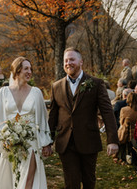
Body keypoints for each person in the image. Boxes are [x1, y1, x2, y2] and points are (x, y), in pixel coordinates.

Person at [48, 48, 119, 189]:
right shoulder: (56, 86)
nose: (68, 63)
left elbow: (107, 113)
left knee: (89, 181)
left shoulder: (96, 84)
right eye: (66, 60)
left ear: (81, 62)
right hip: (66, 142)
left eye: (72, 59)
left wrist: (112, 140)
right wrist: (48, 141)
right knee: (71, 183)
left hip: (89, 140)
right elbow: (53, 116)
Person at [0, 57, 52, 189]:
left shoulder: (36, 93)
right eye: (26, 68)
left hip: (31, 142)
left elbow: (42, 119)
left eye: (30, 69)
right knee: (11, 181)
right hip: (10, 144)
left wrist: (46, 143)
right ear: (17, 70)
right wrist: (3, 140)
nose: (29, 72)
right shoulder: (3, 93)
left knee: (27, 181)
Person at [117, 92, 137, 161]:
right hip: (136, 134)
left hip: (126, 134)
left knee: (122, 128)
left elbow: (121, 122)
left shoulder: (124, 110)